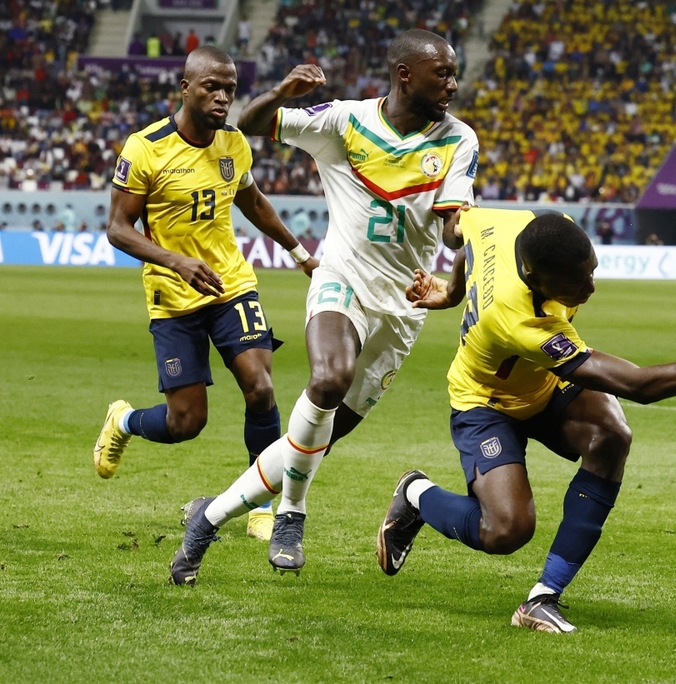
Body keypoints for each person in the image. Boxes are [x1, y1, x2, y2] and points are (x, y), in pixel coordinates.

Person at [374, 209, 676, 633]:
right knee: (506, 530)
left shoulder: (519, 224)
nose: (591, 286)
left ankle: (542, 598)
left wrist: (451, 293)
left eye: (592, 269)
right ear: (536, 278)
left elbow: (461, 231)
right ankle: (416, 495)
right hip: (488, 402)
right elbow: (639, 386)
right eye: (576, 281)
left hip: (544, 382)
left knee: (611, 436)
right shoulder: (518, 321)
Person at [169, 29, 479, 585]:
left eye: (454, 74)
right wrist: (284, 90)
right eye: (444, 74)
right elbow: (253, 123)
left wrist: (466, 245)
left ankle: (207, 516)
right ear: (405, 75)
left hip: (403, 308)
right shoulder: (345, 120)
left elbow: (454, 230)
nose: (454, 84)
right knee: (328, 380)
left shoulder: (459, 140)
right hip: (342, 279)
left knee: (310, 445)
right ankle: (292, 515)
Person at [95, 46, 319, 544]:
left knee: (260, 387)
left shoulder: (234, 143)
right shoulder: (145, 147)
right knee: (186, 422)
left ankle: (261, 504)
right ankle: (124, 420)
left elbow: (252, 200)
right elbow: (117, 228)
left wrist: (300, 252)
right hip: (173, 295)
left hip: (230, 284)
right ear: (186, 88)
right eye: (211, 88)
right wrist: (176, 261)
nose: (222, 98)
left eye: (230, 90)